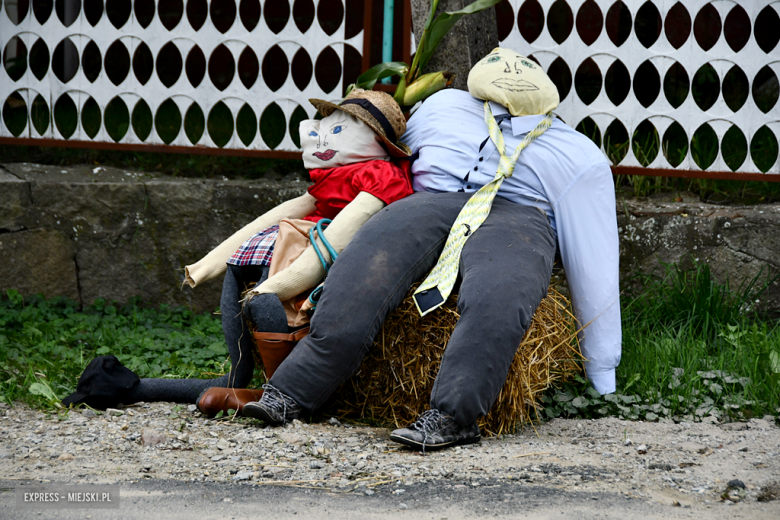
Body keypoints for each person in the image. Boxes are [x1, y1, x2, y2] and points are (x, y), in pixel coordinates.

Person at [242, 47, 621, 451]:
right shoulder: (443, 106)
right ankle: (292, 392)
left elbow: (593, 261)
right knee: (365, 268)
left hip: (518, 214)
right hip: (431, 202)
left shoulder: (579, 157)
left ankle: (454, 416)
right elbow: (388, 151)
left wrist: (602, 376)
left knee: (500, 292)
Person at [120, 89, 414, 411]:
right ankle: (238, 374)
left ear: (376, 142)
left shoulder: (382, 175)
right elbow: (277, 215)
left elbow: (342, 234)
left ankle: (281, 391)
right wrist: (208, 265)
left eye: (340, 130)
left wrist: (275, 286)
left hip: (315, 253)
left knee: (267, 303)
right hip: (285, 245)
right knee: (239, 265)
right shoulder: (331, 177)